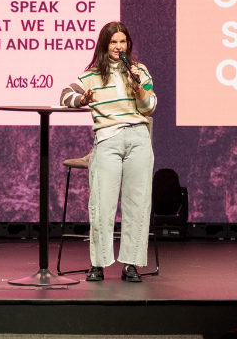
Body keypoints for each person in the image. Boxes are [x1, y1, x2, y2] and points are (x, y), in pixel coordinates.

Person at [59, 21, 156, 282]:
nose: (118, 46)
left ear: (128, 45)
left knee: (137, 203)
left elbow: (150, 106)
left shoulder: (138, 70)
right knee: (102, 204)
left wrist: (139, 89)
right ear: (105, 45)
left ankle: (131, 264)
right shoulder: (92, 74)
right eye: (113, 42)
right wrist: (82, 99)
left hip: (138, 138)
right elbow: (65, 95)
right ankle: (98, 263)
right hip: (108, 140)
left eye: (122, 42)